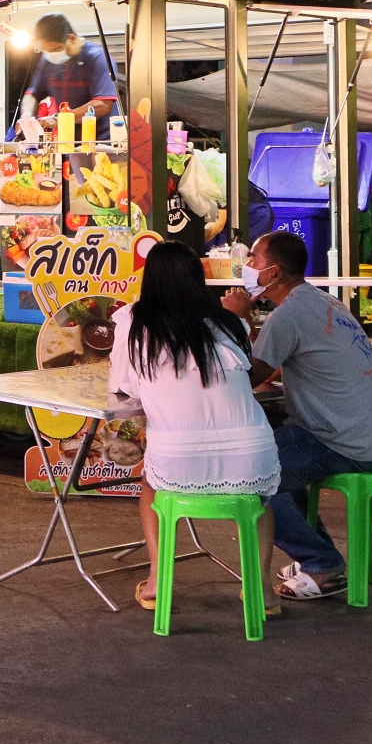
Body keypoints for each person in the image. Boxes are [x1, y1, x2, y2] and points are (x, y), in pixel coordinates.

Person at [109, 241, 280, 611]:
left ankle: (157, 582)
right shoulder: (229, 322)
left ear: (149, 279)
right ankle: (262, 591)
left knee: (150, 488)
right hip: (252, 451)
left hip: (177, 456)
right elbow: (246, 372)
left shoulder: (132, 323)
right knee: (260, 501)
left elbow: (124, 386)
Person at [245, 229, 372, 602]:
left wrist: (239, 317)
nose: (247, 267)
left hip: (340, 440)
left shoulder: (289, 314)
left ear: (274, 273)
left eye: (254, 260)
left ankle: (322, 563)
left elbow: (248, 376)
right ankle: (317, 555)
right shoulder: (321, 301)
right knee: (276, 456)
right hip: (366, 433)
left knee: (250, 469)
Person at [18, 12, 118, 120]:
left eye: (56, 49)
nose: (52, 54)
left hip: (100, 135)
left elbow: (103, 104)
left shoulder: (97, 58)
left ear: (72, 39)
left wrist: (60, 118)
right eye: (46, 51)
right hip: (67, 134)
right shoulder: (47, 60)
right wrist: (26, 115)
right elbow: (33, 94)